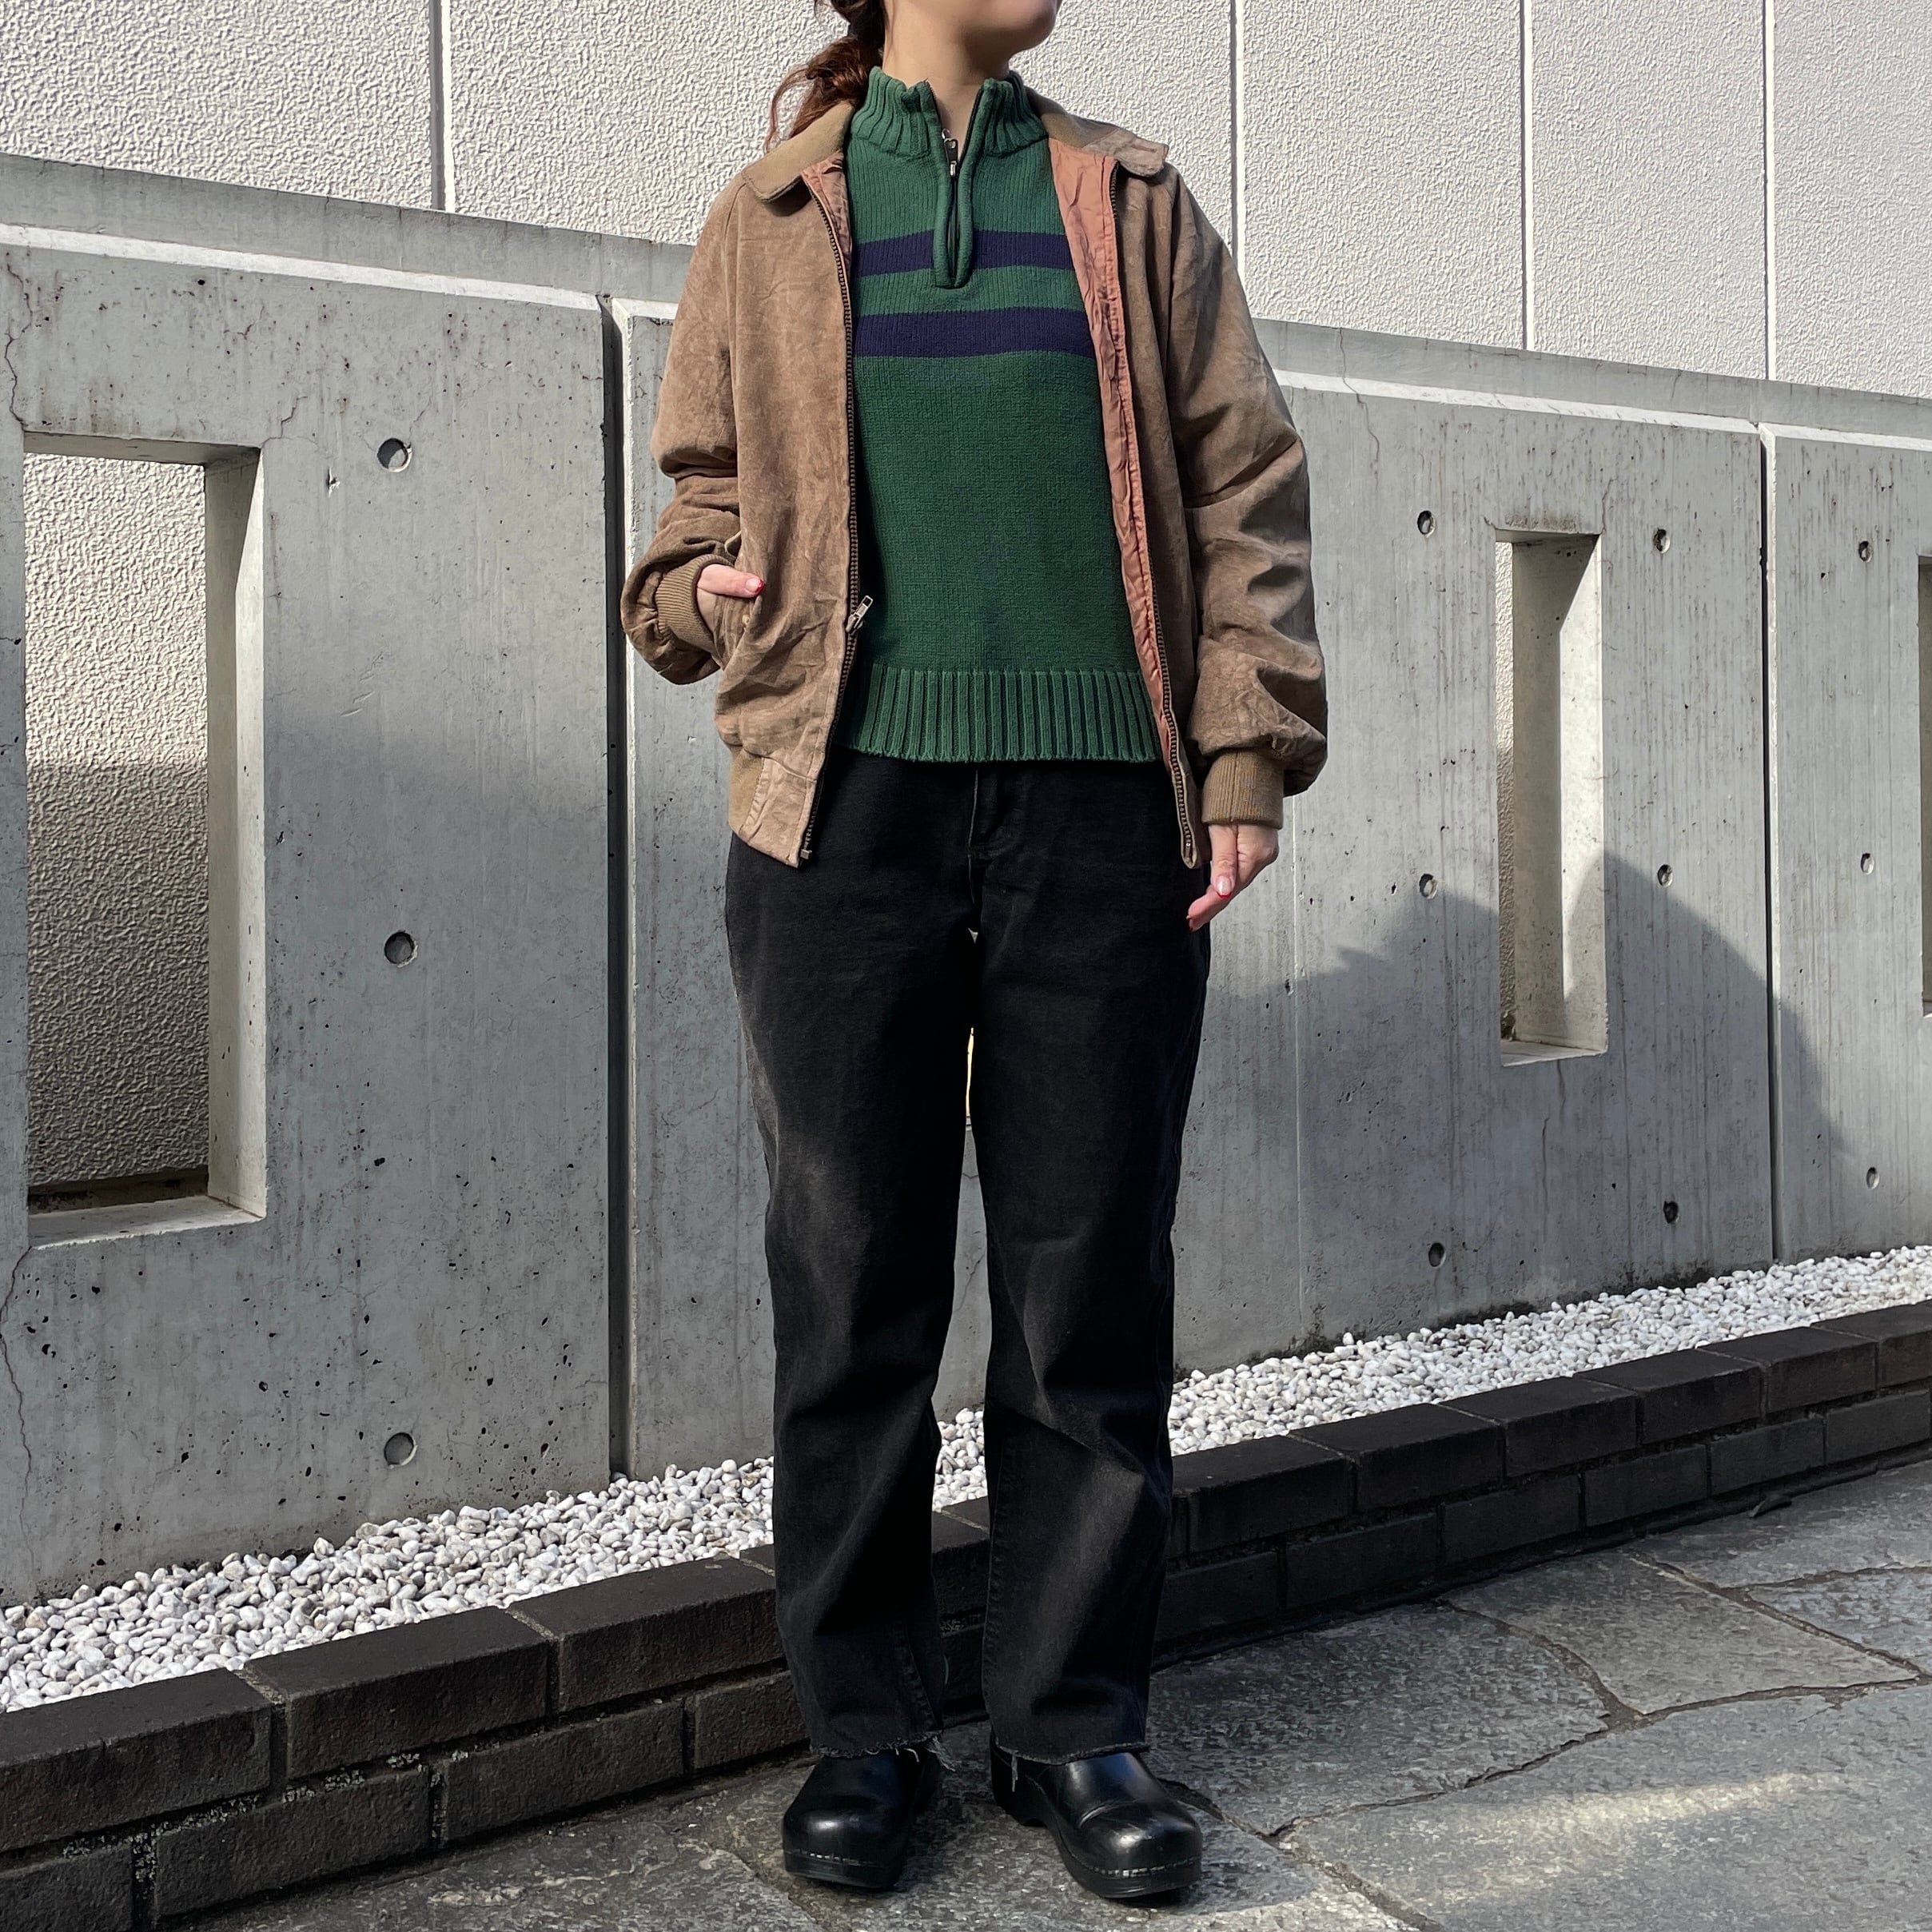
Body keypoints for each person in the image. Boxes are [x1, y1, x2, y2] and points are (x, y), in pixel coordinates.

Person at [622, 0, 1326, 1901]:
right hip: (838, 813)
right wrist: (701, 587)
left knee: (1088, 1281)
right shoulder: (770, 211)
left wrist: (1245, 748)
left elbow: (1244, 484)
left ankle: (1071, 1728)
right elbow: (689, 520)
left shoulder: (1132, 198)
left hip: (1104, 814)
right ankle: (865, 1732)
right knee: (851, 1285)